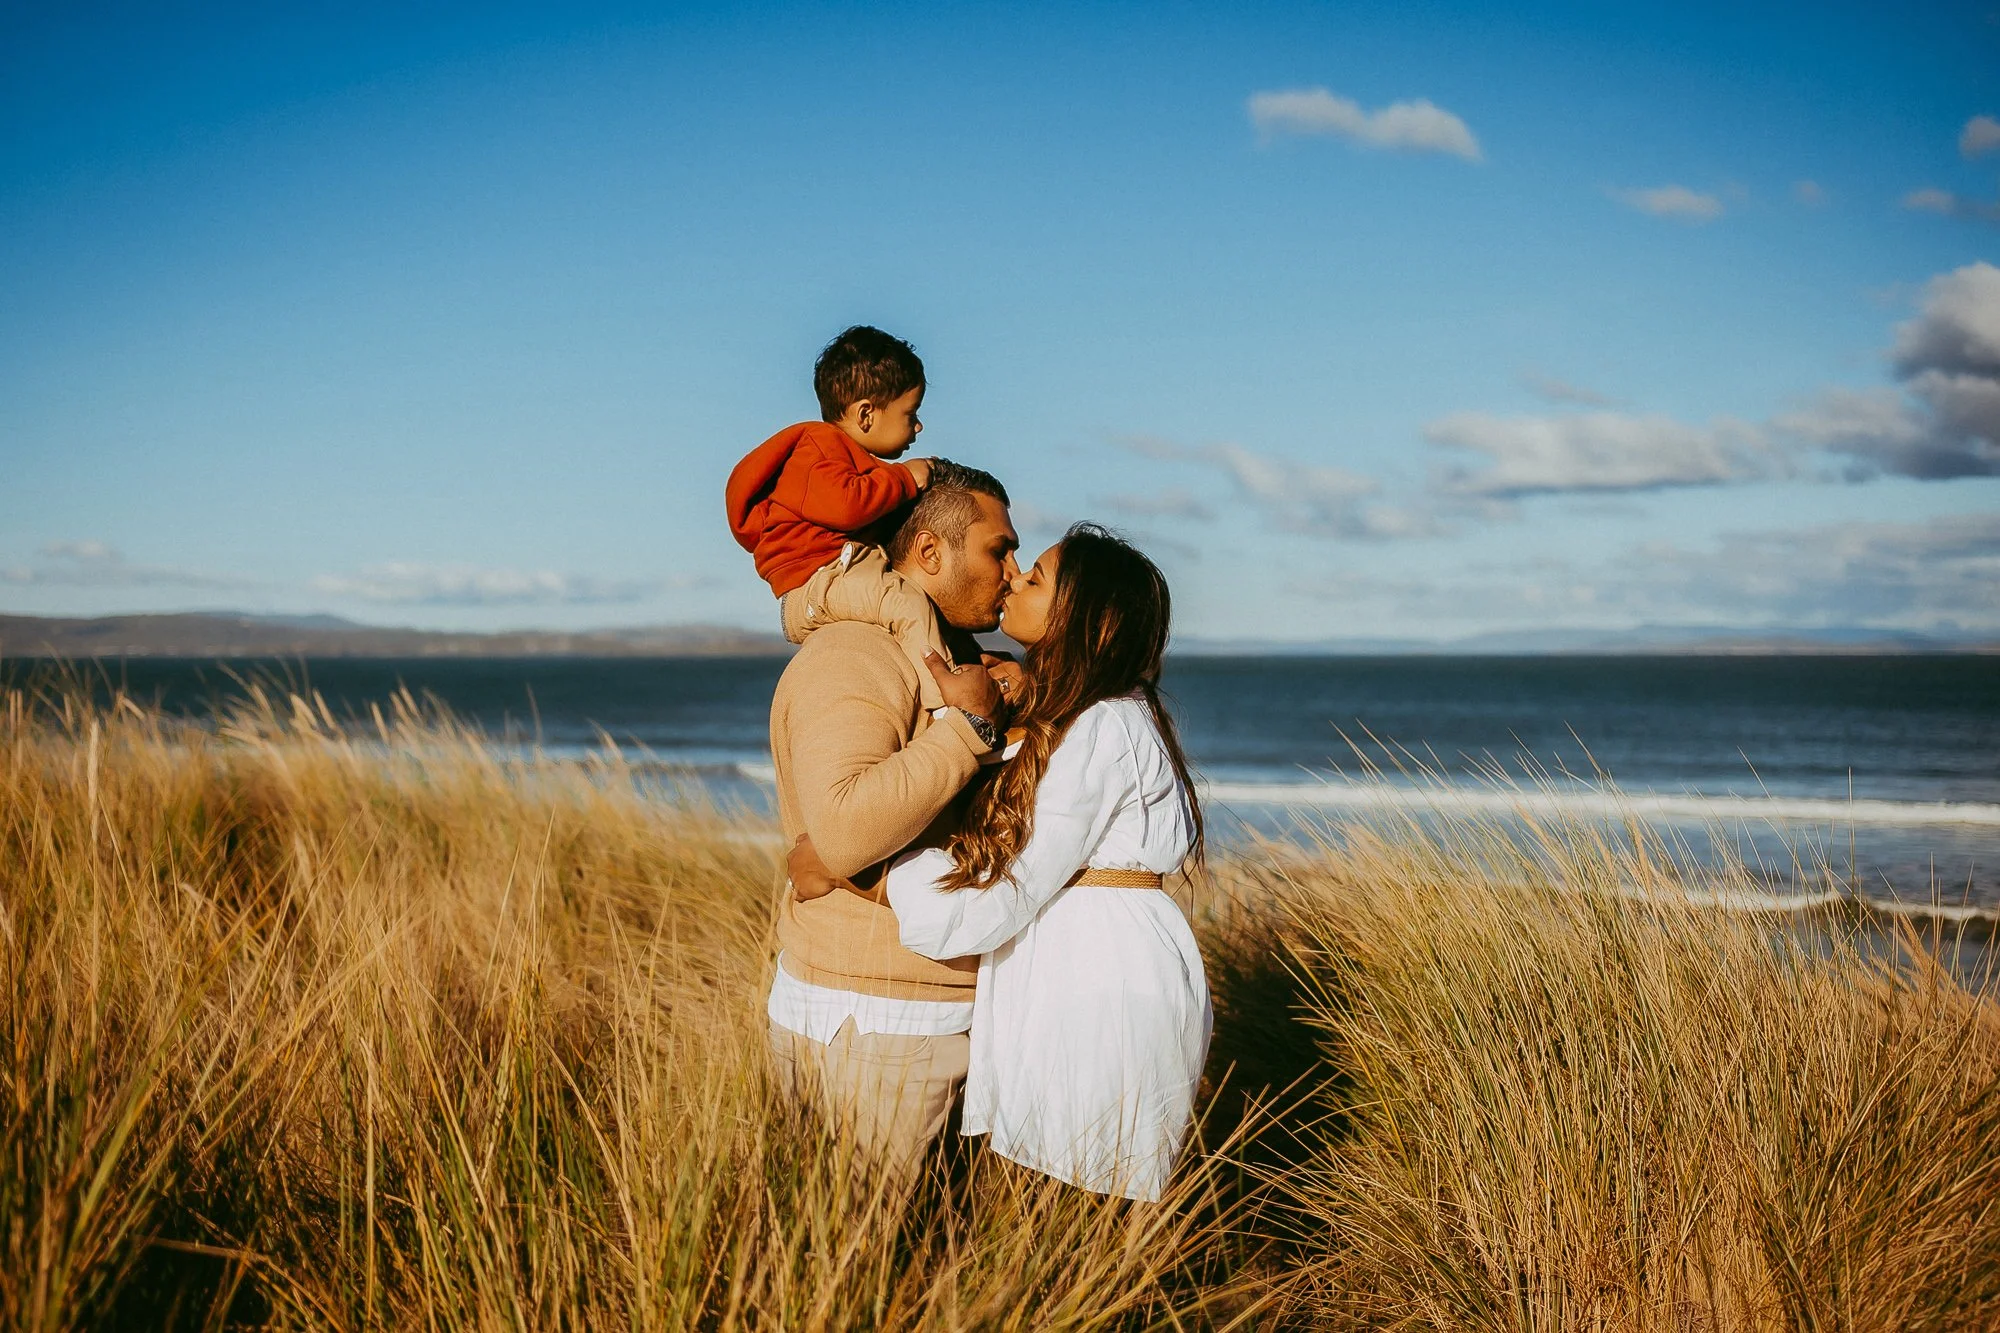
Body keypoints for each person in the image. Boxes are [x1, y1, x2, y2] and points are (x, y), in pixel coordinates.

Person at [793, 524, 1210, 1202]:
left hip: (1102, 988)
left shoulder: (1103, 726)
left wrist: (855, 867)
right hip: (1084, 972)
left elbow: (1006, 893)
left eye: (1037, 576)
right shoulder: (1094, 713)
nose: (1014, 577)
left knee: (1081, 1213)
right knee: (1062, 1203)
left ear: (1084, 617)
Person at [762, 459, 1021, 1177]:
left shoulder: (942, 656)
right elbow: (844, 828)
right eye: (999, 549)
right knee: (858, 1264)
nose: (1012, 570)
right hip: (874, 1024)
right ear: (930, 552)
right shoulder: (855, 652)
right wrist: (968, 726)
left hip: (912, 1017)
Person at [726, 324, 956, 709]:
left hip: (830, 580)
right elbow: (847, 506)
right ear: (866, 413)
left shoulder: (843, 457)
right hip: (819, 583)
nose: (918, 426)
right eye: (910, 413)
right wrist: (905, 477)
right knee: (905, 602)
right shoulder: (818, 447)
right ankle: (948, 707)